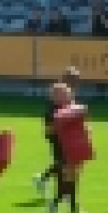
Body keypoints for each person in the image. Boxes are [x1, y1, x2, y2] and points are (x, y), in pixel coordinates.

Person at [33, 66, 80, 202]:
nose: (76, 81)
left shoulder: (70, 92)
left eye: (77, 78)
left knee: (66, 164)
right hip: (57, 135)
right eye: (73, 78)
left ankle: (57, 189)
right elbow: (52, 114)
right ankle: (60, 194)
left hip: (69, 135)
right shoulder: (59, 92)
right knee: (64, 164)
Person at [48, 80, 91, 213]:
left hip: (76, 146)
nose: (68, 95)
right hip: (62, 148)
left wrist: (85, 131)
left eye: (68, 93)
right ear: (55, 95)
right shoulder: (53, 110)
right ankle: (64, 206)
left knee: (74, 177)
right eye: (64, 93)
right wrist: (62, 124)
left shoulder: (73, 107)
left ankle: (66, 206)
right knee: (68, 177)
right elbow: (49, 131)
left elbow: (83, 122)